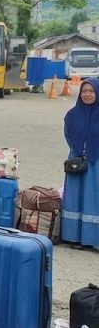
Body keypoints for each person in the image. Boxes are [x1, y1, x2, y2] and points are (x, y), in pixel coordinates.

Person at [62, 77, 99, 249]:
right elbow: (68, 134)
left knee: (94, 198)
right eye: (84, 91)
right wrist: (77, 151)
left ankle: (93, 239)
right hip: (77, 161)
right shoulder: (72, 114)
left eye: (91, 91)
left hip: (96, 163)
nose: (87, 94)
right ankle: (74, 236)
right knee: (76, 197)